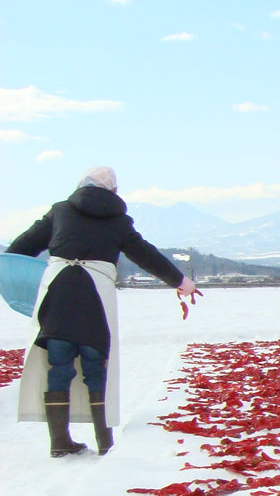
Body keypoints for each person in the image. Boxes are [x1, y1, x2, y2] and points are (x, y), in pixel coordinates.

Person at [7, 166, 200, 457]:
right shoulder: (119, 221)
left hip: (57, 294)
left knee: (58, 365)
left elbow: (20, 248)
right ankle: (104, 442)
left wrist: (14, 278)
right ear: (113, 192)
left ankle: (59, 442)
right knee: (96, 366)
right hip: (95, 296)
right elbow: (147, 255)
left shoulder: (60, 211)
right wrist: (181, 281)